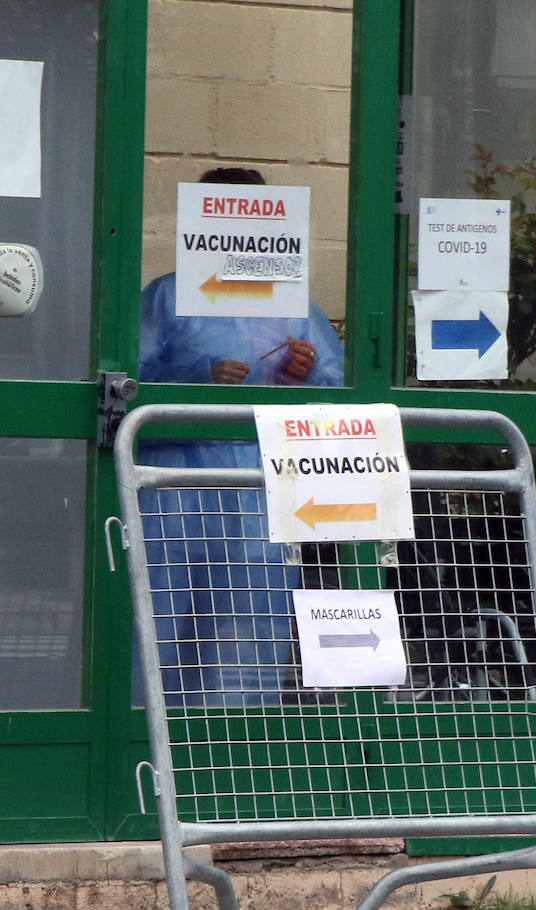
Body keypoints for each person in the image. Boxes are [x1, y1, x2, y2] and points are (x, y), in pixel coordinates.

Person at [135, 167, 345, 706]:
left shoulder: (292, 305)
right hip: (173, 486)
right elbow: (127, 382)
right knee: (159, 616)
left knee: (247, 624)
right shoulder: (167, 296)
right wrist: (199, 375)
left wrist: (308, 370)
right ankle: (141, 739)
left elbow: (339, 391)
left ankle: (232, 754)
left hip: (257, 486)